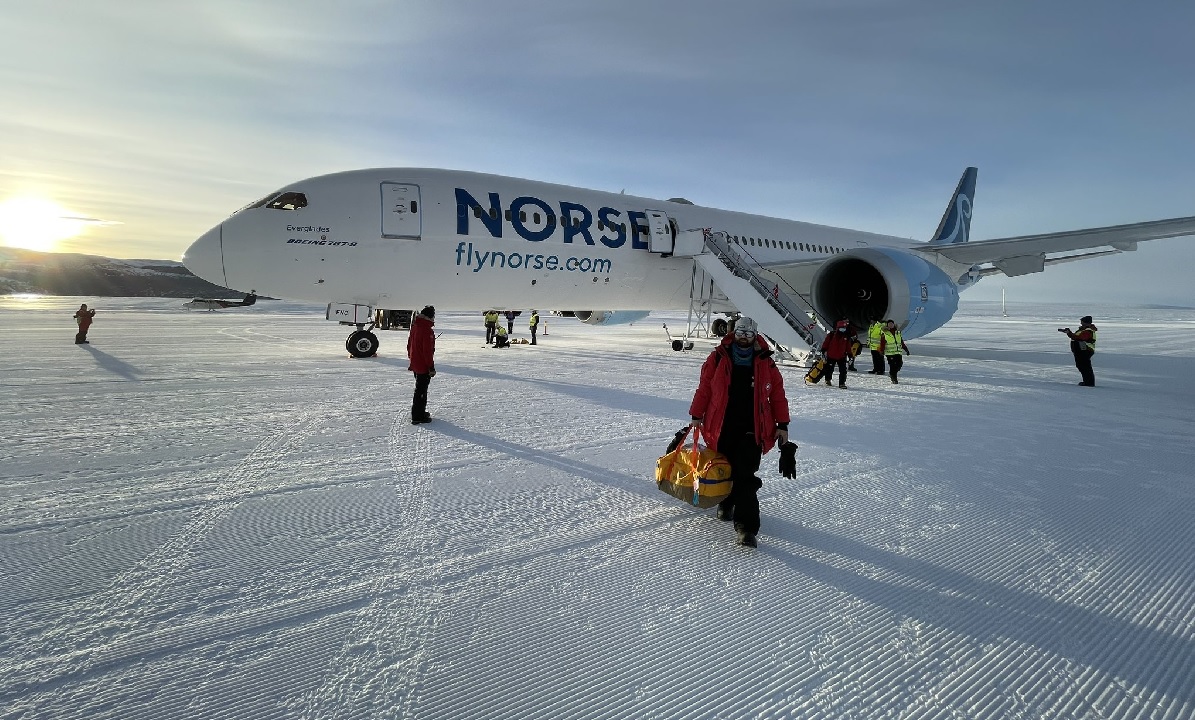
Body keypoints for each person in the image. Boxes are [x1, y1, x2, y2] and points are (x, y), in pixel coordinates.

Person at [688, 316, 791, 548]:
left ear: (755, 336)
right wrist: (696, 415)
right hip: (722, 425)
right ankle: (726, 502)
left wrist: (782, 424)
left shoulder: (765, 361)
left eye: (749, 333)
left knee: (745, 476)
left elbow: (777, 395)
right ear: (734, 333)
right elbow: (704, 387)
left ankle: (747, 528)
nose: (744, 337)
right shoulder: (717, 357)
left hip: (753, 428)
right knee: (723, 468)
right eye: (740, 332)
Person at [407, 305, 436, 424]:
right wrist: (431, 367)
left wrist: (411, 358)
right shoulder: (426, 330)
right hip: (423, 365)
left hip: (415, 362)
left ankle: (419, 412)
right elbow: (427, 351)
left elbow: (409, 344)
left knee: (419, 389)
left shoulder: (415, 326)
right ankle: (418, 415)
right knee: (421, 391)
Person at [1060, 315, 1098, 386]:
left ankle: (1089, 382)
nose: (1081, 323)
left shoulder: (1088, 331)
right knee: (1082, 366)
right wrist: (1069, 333)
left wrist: (1069, 333)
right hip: (1081, 351)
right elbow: (1076, 337)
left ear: (1085, 322)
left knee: (1085, 367)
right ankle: (1087, 382)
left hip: (1084, 351)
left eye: (1082, 321)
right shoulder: (1084, 330)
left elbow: (1079, 338)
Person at [819, 320, 853, 388]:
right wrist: (823, 350)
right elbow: (826, 343)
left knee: (843, 371)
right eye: (842, 328)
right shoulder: (831, 335)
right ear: (838, 328)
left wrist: (850, 354)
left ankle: (842, 383)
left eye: (844, 328)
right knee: (829, 369)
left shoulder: (846, 337)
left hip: (842, 356)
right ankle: (827, 379)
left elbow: (848, 347)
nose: (843, 329)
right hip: (831, 355)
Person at [878, 319, 910, 384]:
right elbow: (882, 343)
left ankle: (892, 374)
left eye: (892, 324)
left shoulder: (897, 332)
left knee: (899, 364)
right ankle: (894, 378)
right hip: (890, 353)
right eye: (889, 324)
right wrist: (882, 351)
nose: (891, 325)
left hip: (898, 352)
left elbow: (901, 342)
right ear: (887, 325)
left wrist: (906, 349)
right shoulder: (885, 333)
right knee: (892, 366)